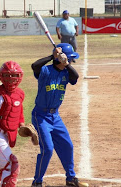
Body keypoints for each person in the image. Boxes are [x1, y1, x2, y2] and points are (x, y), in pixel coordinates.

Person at [31, 43, 88, 187]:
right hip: (41, 116)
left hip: (55, 117)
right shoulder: (45, 71)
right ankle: (37, 182)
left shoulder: (66, 73)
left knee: (67, 145)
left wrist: (66, 64)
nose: (72, 61)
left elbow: (76, 76)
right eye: (70, 59)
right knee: (48, 149)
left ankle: (71, 178)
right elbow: (34, 66)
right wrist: (52, 56)